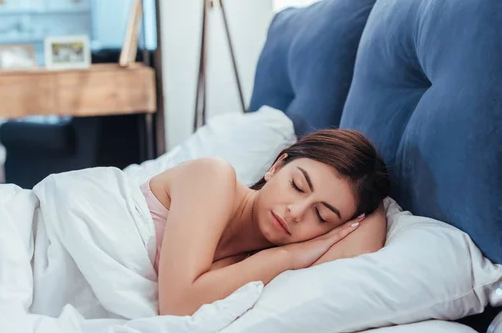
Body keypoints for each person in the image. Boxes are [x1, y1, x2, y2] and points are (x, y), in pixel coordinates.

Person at [140, 129, 391, 316]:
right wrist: (288, 256)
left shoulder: (249, 265)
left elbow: (359, 256)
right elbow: (177, 307)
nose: (296, 211)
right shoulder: (213, 176)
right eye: (298, 186)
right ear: (277, 166)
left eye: (321, 215)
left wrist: (372, 198)